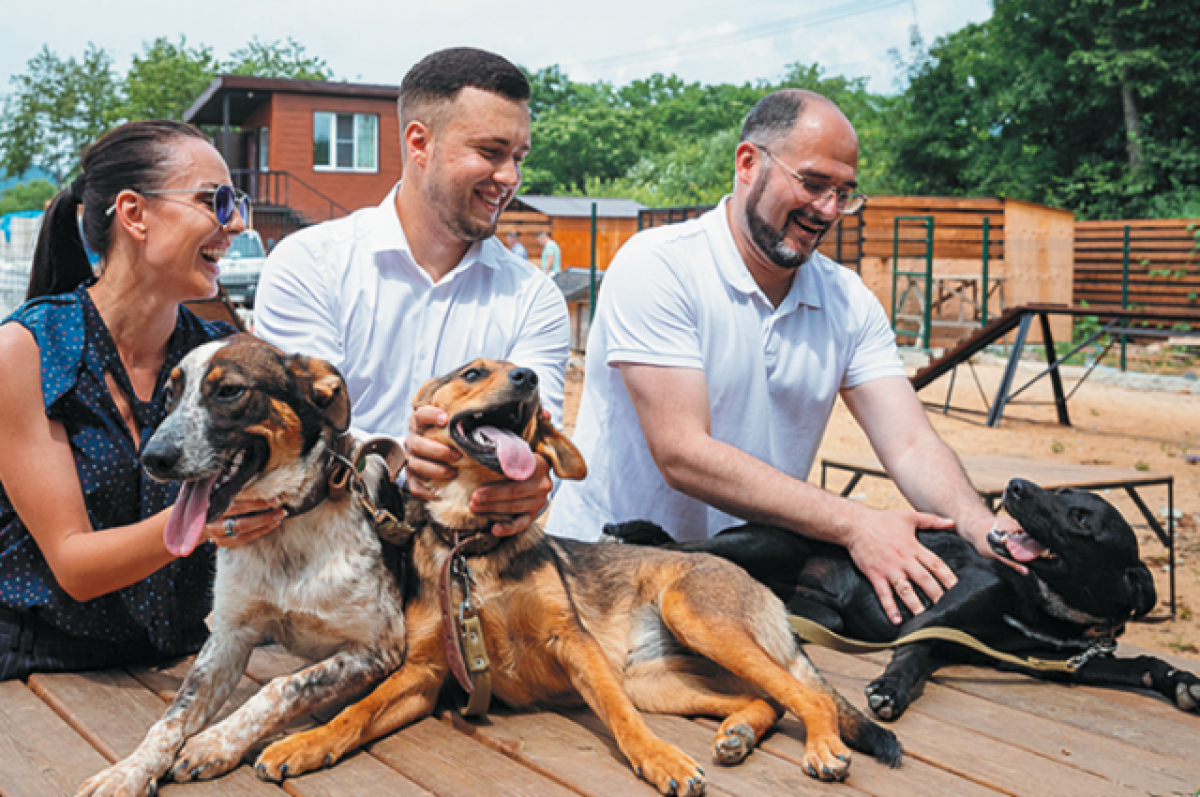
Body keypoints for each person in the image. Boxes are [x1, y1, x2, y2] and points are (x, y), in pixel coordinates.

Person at [546, 90, 1022, 625]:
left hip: (739, 588)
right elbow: (682, 452)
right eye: (813, 183)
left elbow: (910, 443)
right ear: (748, 163)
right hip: (606, 578)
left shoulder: (847, 300)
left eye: (845, 193)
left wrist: (979, 525)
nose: (829, 210)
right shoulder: (660, 266)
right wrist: (855, 523)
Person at [0, 121, 279, 681]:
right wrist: (207, 520)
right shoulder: (27, 350)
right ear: (134, 213)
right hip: (39, 668)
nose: (237, 223)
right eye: (215, 201)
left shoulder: (222, 357)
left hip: (177, 663)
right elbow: (74, 565)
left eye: (238, 203)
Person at [254, 48, 570, 537]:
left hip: (462, 560)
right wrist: (396, 458)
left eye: (518, 158)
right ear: (419, 143)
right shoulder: (310, 264)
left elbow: (538, 436)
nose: (510, 177)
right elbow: (298, 431)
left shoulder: (534, 296)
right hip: (329, 556)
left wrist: (532, 480)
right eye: (491, 152)